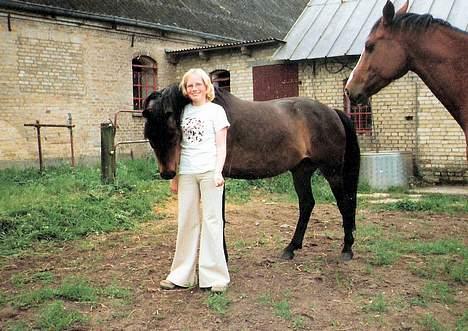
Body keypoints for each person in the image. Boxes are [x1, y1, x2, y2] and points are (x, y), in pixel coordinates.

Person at [160, 68, 230, 293]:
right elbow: (178, 147)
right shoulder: (183, 113)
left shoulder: (217, 111)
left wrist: (218, 172)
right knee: (186, 221)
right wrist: (176, 176)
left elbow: (221, 146)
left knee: (212, 221)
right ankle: (181, 275)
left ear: (206, 86)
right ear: (185, 90)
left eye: (198, 84)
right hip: (188, 172)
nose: (194, 89)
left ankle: (215, 277)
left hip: (210, 171)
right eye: (189, 86)